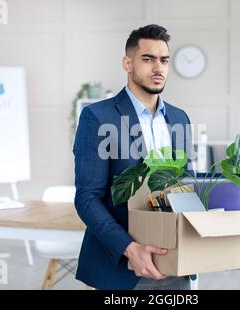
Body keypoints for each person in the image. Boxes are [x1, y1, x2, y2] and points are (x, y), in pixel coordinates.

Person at [73, 24, 192, 290]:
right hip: (122, 268)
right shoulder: (98, 117)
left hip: (176, 263)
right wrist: (129, 248)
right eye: (148, 59)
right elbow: (87, 197)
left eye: (164, 60)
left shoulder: (180, 119)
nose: (158, 67)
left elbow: (187, 183)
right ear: (128, 63)